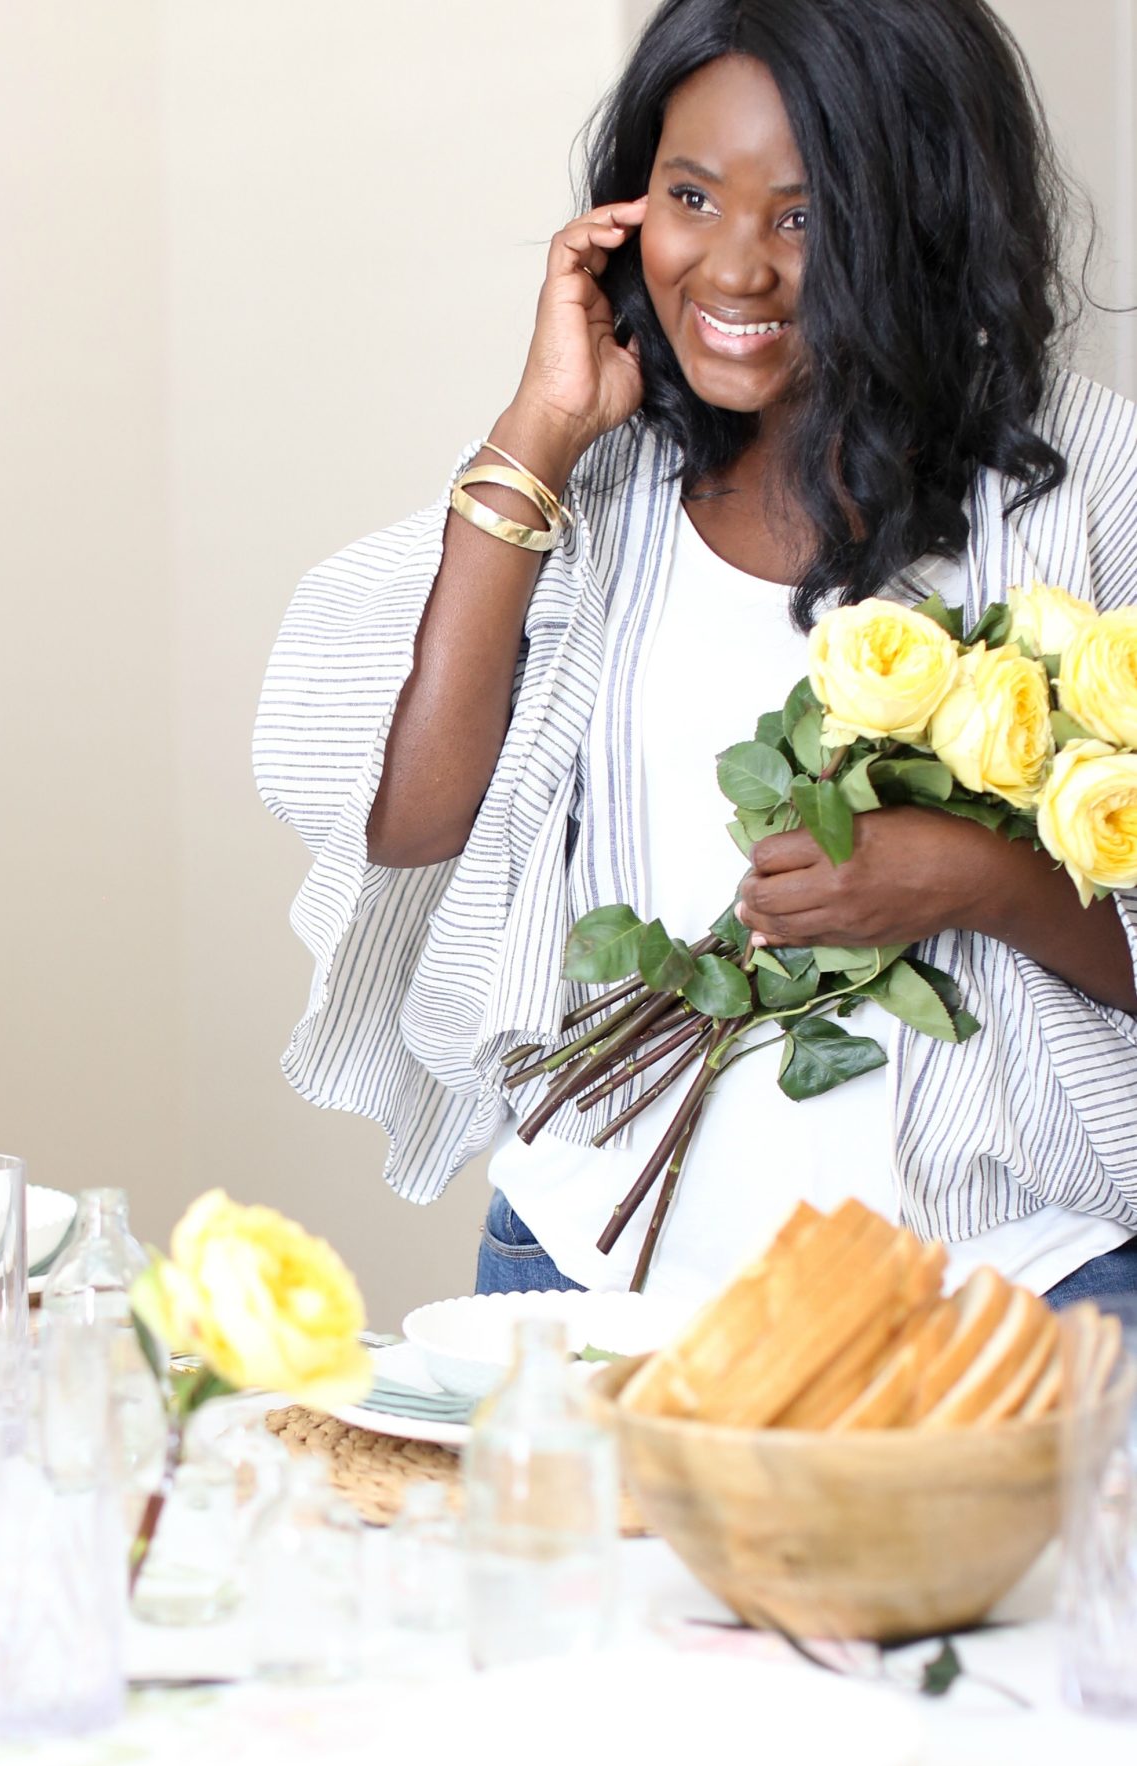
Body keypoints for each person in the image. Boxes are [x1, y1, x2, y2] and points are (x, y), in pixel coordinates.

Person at [253, 0, 1137, 1309]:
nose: (735, 271)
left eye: (806, 213)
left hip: (1007, 1294)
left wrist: (976, 877)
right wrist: (541, 429)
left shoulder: (1079, 482)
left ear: (921, 216)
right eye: (692, 195)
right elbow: (405, 816)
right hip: (592, 1279)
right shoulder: (587, 480)